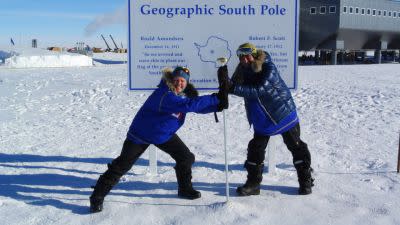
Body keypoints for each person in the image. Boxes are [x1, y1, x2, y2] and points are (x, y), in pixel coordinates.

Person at [89, 66, 229, 213]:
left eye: (183, 81)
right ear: (171, 79)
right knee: (121, 166)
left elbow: (194, 107)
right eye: (177, 79)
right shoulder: (164, 94)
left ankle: (185, 189)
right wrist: (215, 98)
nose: (179, 83)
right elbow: (187, 106)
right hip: (140, 135)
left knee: (186, 158)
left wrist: (217, 105)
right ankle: (97, 196)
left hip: (163, 135)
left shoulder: (182, 95)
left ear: (187, 83)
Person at [223, 43, 314, 196]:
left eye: (247, 55)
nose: (244, 59)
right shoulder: (242, 69)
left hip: (282, 114)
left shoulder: (267, 66)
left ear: (255, 54)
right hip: (262, 118)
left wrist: (232, 87)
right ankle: (253, 184)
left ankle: (305, 181)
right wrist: (225, 81)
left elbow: (260, 89)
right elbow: (235, 85)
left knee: (296, 145)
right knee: (255, 149)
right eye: (241, 56)